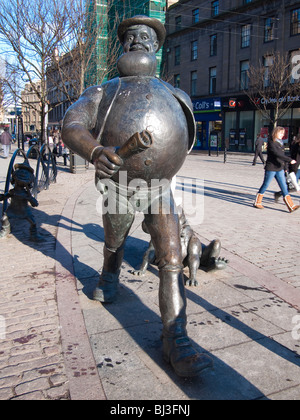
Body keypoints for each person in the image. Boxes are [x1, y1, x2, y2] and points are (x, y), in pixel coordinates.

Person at [62, 15, 213, 378]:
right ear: (122, 45)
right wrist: (97, 152)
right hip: (120, 186)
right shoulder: (102, 91)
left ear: (156, 47)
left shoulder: (175, 94)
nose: (138, 41)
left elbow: (185, 140)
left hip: (159, 187)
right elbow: (72, 124)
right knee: (114, 242)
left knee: (172, 256)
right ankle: (110, 275)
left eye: (145, 37)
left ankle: (176, 337)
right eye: (131, 37)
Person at [254, 126, 299, 213]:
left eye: (283, 133)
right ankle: (257, 202)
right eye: (280, 133)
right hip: (271, 168)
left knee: (284, 187)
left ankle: (291, 206)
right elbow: (277, 154)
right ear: (275, 133)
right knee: (266, 184)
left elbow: (282, 156)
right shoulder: (271, 142)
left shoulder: (281, 143)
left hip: (280, 168)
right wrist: (290, 160)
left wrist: (286, 167)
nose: (282, 135)